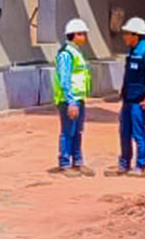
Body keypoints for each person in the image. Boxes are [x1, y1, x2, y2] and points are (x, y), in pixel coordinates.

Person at [108, 16, 145, 176]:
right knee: (124, 132)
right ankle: (124, 163)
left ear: (135, 35)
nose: (124, 37)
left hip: (138, 100)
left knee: (138, 133)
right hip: (128, 99)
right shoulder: (132, 51)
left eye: (127, 33)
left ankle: (140, 165)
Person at [52, 17, 93, 176]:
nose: (85, 37)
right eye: (82, 34)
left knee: (78, 131)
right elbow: (64, 79)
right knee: (68, 131)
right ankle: (65, 163)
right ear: (75, 35)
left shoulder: (76, 52)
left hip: (78, 98)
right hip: (69, 100)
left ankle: (78, 161)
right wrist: (71, 101)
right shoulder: (66, 54)